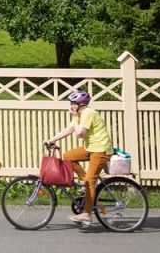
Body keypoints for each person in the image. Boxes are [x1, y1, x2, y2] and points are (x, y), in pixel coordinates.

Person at [43, 90, 112, 225]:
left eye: (73, 103)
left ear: (80, 104)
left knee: (89, 181)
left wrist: (74, 117)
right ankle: (85, 181)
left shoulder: (88, 113)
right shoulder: (81, 114)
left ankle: (87, 214)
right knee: (68, 156)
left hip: (100, 150)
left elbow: (80, 133)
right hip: (91, 148)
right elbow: (69, 130)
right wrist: (51, 140)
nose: (70, 105)